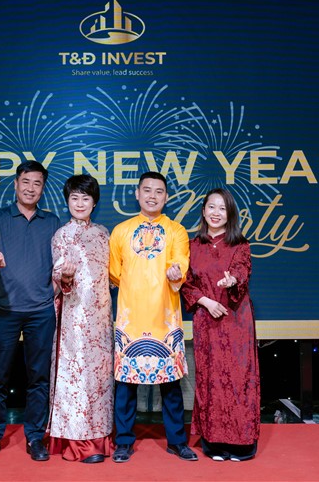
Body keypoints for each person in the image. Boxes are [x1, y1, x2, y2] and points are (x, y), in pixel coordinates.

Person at [0, 160, 61, 462]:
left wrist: (54, 289)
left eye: (37, 183)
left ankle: (35, 437)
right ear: (16, 184)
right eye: (26, 182)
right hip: (4, 309)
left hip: (41, 312)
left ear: (43, 189)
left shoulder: (52, 221)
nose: (30, 188)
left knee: (38, 378)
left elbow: (62, 260)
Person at [108, 171, 197, 463]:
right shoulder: (121, 231)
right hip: (131, 318)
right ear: (137, 194)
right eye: (147, 190)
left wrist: (176, 272)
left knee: (171, 385)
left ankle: (177, 441)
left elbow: (180, 262)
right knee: (126, 385)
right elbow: (114, 273)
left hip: (165, 317)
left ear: (166, 197)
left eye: (159, 191)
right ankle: (123, 442)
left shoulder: (176, 231)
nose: (152, 196)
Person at [181, 187, 259, 461]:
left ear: (230, 214)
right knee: (210, 379)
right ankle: (213, 443)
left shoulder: (240, 245)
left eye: (222, 208)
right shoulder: (191, 246)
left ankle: (242, 445)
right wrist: (205, 301)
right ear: (203, 211)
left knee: (238, 379)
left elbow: (241, 271)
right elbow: (186, 284)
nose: (216, 213)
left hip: (235, 320)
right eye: (211, 207)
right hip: (206, 320)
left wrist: (232, 280)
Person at [47, 174, 114, 464]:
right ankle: (78, 442)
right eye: (74, 198)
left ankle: (101, 437)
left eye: (85, 198)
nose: (79, 203)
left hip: (101, 318)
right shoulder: (61, 235)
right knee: (75, 377)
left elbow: (112, 275)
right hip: (73, 319)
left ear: (94, 202)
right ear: (67, 201)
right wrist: (65, 277)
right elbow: (57, 277)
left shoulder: (103, 234)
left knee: (100, 378)